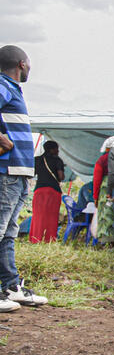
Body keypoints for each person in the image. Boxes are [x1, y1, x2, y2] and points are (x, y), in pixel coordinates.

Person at [0, 45, 47, 308]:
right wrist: (2, 141)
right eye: (28, 64)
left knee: (8, 231)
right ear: (21, 64)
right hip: (6, 170)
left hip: (18, 172)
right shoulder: (4, 84)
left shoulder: (11, 89)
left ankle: (11, 287)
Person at [29, 140, 65, 243]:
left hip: (39, 190)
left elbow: (32, 174)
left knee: (38, 215)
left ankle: (35, 238)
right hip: (53, 191)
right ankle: (49, 239)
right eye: (56, 148)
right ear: (51, 149)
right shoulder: (57, 160)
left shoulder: (37, 160)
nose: (58, 151)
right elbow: (61, 177)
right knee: (51, 216)